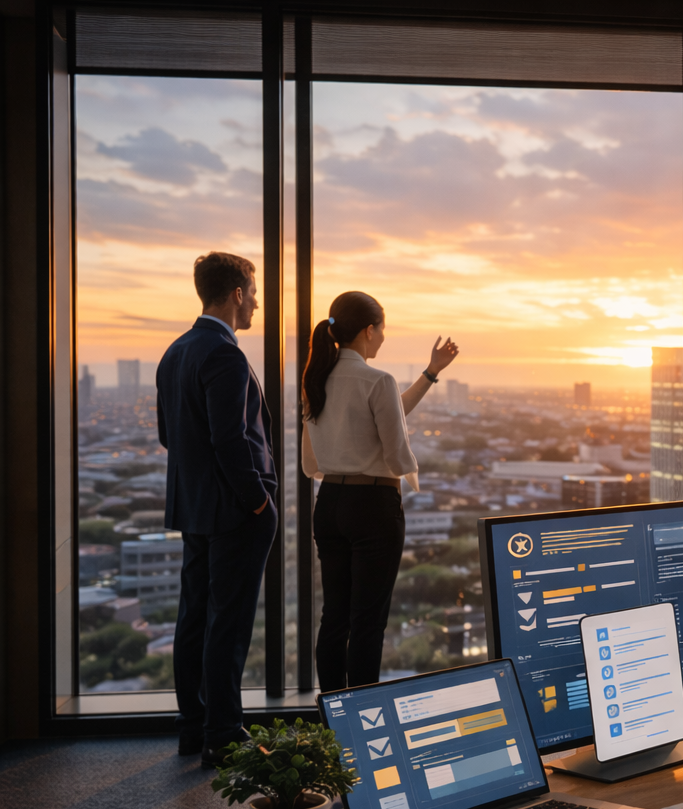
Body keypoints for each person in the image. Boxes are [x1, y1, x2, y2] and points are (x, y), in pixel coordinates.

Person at [300, 291, 458, 692]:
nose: (384, 337)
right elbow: (396, 449)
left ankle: (332, 715)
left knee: (335, 617)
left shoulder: (317, 378)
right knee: (368, 622)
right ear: (369, 331)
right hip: (373, 506)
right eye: (383, 329)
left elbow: (313, 459)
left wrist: (430, 372)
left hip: (330, 502)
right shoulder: (377, 380)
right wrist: (409, 469)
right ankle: (364, 716)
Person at [157, 252, 277, 767]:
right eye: (253, 292)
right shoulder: (224, 354)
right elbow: (232, 440)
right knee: (228, 624)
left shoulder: (176, 351)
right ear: (236, 293)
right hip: (234, 511)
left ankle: (194, 725)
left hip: (195, 507)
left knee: (195, 618)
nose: (255, 303)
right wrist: (257, 501)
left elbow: (170, 436)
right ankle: (225, 735)